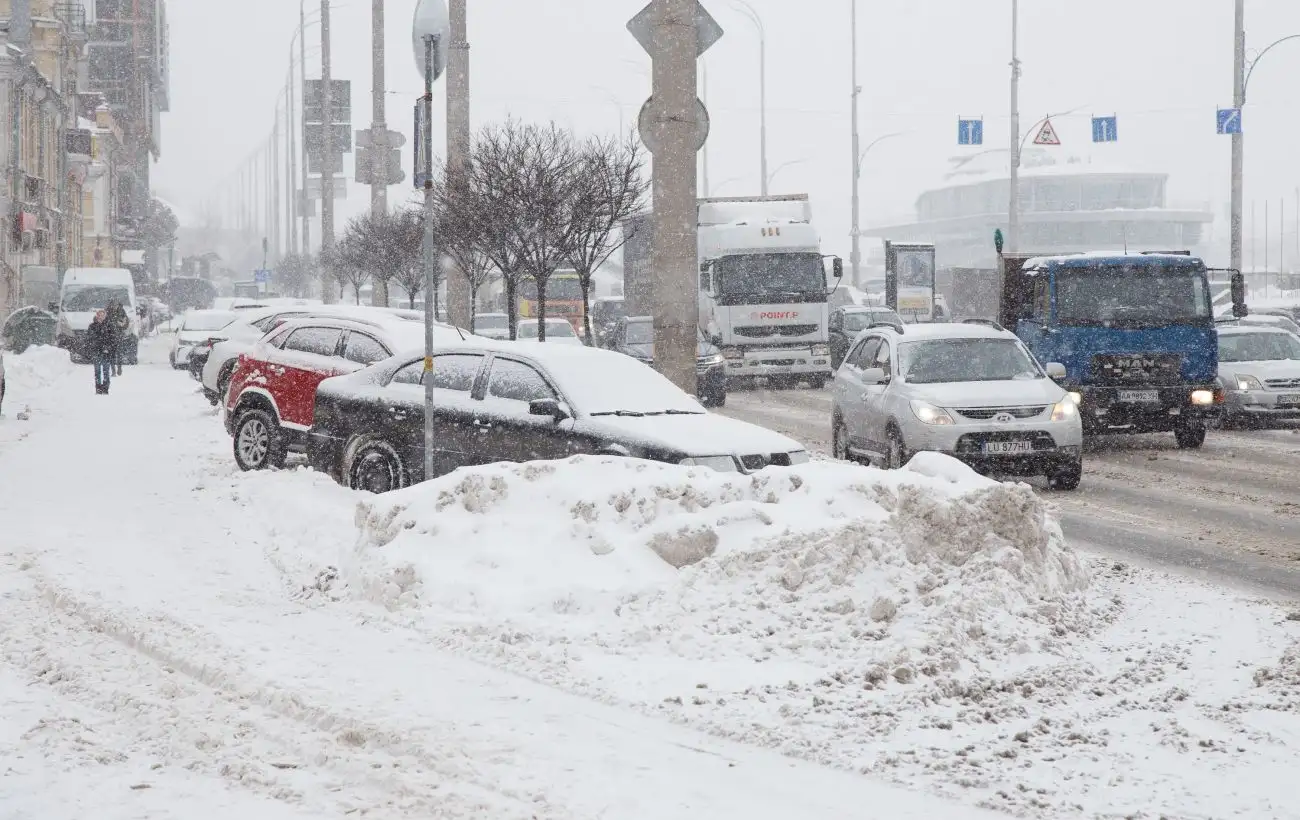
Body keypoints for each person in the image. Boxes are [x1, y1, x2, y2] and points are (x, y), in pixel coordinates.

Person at [86, 309, 115, 394]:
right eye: (100, 315)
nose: (101, 317)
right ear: (97, 316)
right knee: (97, 371)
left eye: (103, 315)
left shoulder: (110, 326)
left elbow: (113, 339)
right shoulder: (92, 326)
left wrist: (108, 348)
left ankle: (105, 388)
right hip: (96, 352)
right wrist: (95, 346)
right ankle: (98, 388)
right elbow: (90, 339)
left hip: (106, 353)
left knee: (106, 371)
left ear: (105, 316)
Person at [106, 299, 130, 375]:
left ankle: (119, 368)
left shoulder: (122, 311)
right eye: (113, 305)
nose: (114, 307)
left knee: (119, 353)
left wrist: (122, 324)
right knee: (111, 354)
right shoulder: (107, 311)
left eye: (116, 305)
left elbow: (126, 322)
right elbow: (103, 321)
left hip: (119, 335)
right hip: (109, 336)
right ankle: (113, 370)